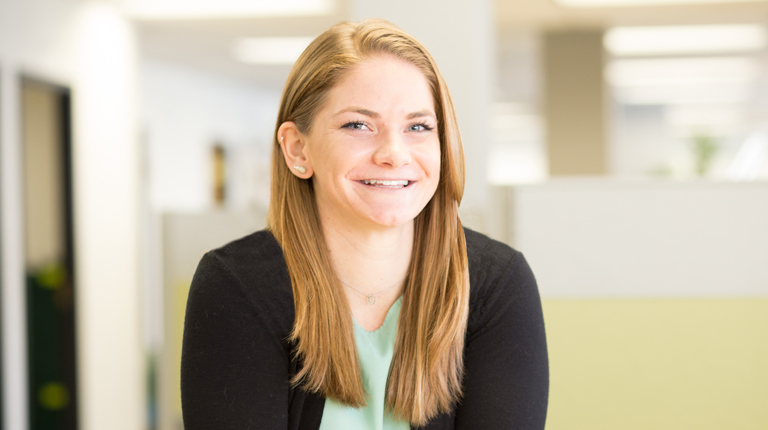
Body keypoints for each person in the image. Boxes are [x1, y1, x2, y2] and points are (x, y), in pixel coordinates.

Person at [180, 19, 548, 430]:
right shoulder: (238, 286)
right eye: (358, 125)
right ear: (298, 148)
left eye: (418, 127)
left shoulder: (493, 284)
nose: (394, 153)